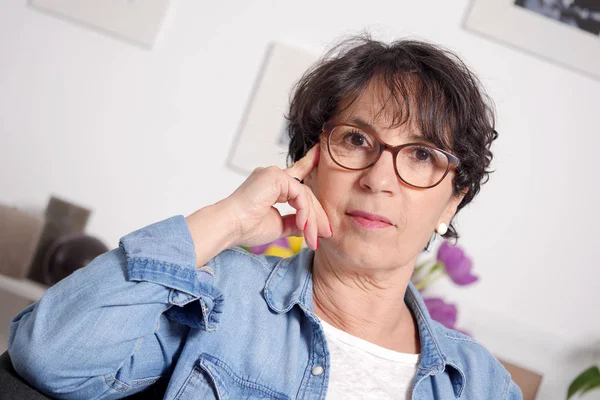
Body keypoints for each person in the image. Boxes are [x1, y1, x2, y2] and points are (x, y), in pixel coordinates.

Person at [8, 36, 522, 400]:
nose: (378, 179)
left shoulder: (482, 385)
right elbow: (50, 359)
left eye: (421, 155)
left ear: (453, 201)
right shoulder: (215, 297)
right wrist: (227, 220)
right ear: (310, 164)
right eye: (357, 140)